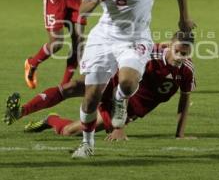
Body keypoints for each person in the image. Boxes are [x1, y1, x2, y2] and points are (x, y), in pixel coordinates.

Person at [73, 0, 196, 158]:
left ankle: (120, 100)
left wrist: (184, 20)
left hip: (135, 37)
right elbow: (83, 9)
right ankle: (87, 145)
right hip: (104, 36)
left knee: (128, 83)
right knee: (91, 99)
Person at [4, 32, 196, 142]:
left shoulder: (187, 71)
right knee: (72, 86)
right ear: (170, 46)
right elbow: (126, 82)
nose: (180, 57)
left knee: (71, 132)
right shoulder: (149, 55)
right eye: (177, 51)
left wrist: (180, 134)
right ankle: (21, 111)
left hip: (130, 109)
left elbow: (185, 100)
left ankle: (51, 120)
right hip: (115, 84)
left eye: (185, 54)